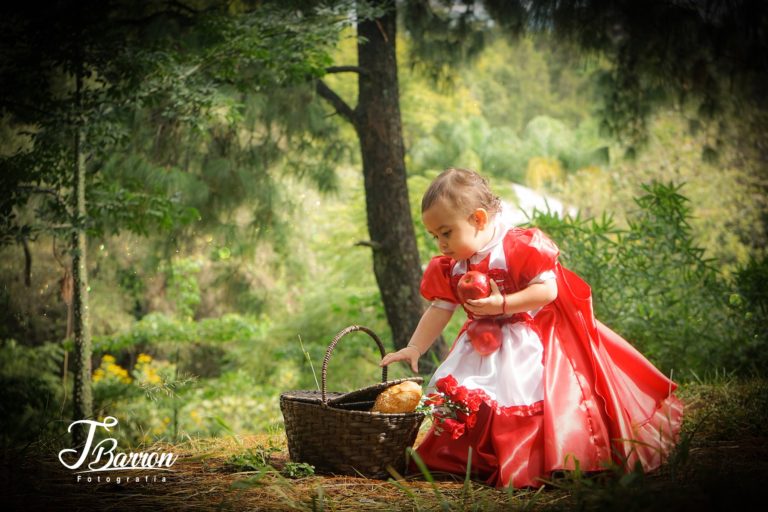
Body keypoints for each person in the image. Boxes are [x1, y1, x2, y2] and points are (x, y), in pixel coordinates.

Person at [380, 167, 683, 489]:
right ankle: (479, 458)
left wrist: (503, 305)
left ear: (479, 219)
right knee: (477, 396)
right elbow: (440, 308)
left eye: (446, 233)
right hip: (481, 341)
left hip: (524, 337)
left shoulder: (517, 247)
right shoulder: (453, 265)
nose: (441, 244)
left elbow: (547, 291)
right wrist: (415, 347)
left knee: (521, 392)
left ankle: (534, 460)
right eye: (434, 236)